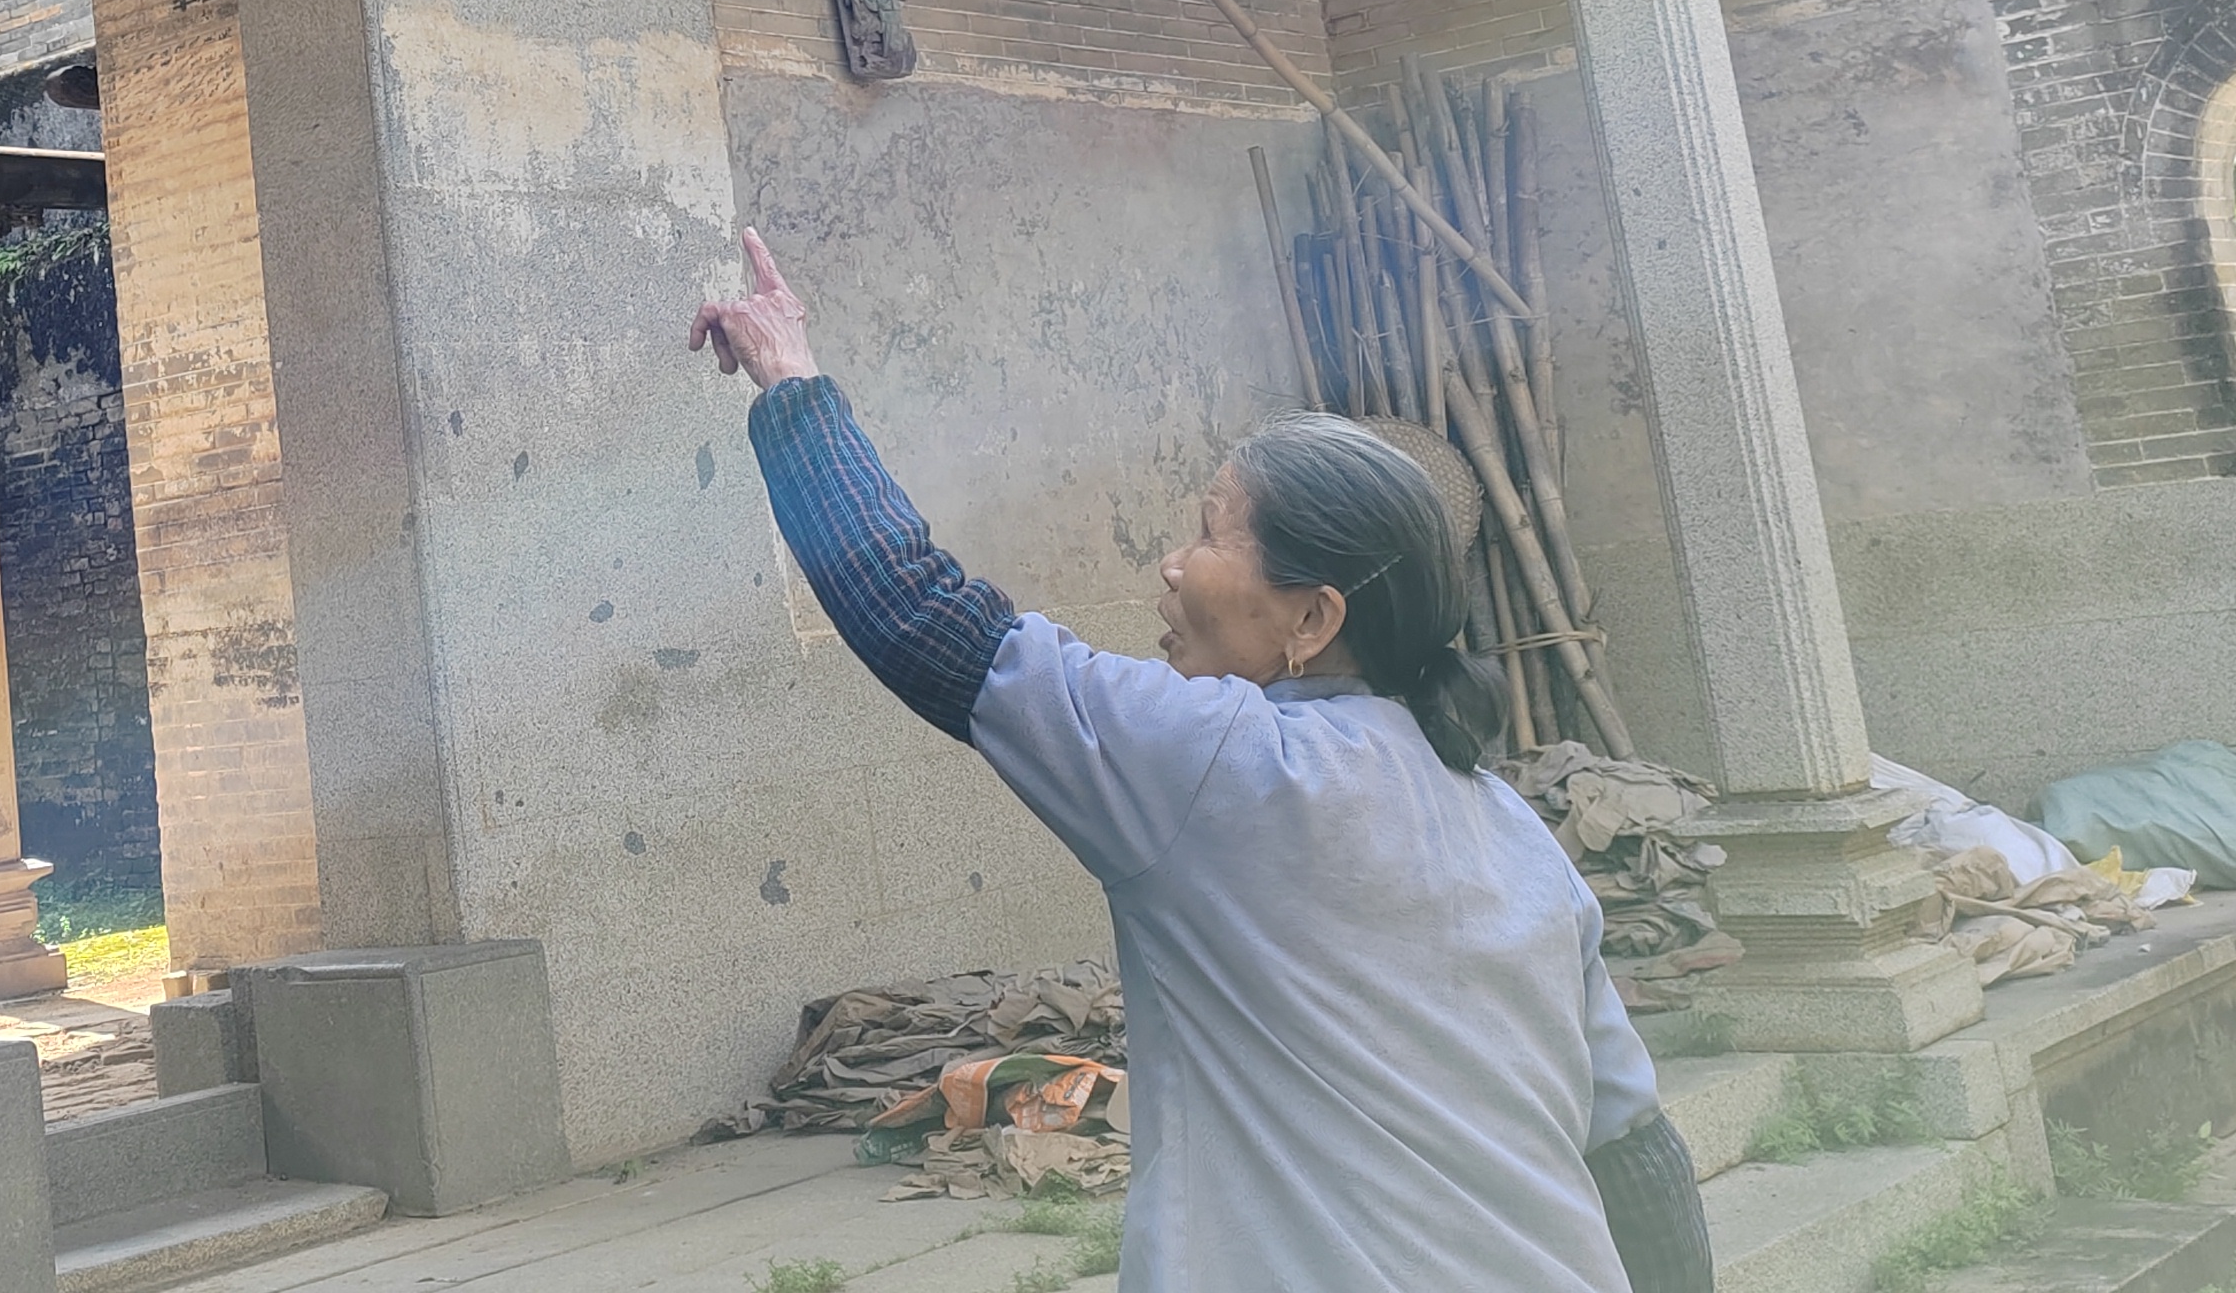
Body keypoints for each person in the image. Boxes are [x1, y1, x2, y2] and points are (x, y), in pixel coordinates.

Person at [689, 229, 1711, 1293]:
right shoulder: (1511, 828)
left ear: (1312, 620)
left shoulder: (1227, 765)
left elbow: (920, 614)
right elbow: (1635, 1151)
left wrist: (790, 378)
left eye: (1213, 535)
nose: (1174, 565)